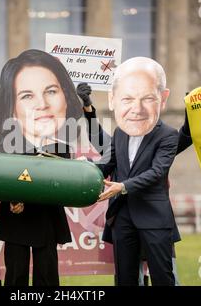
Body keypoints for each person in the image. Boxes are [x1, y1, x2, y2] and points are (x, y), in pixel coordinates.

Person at [0, 49, 83, 286]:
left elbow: (62, 183)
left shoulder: (62, 147)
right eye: (27, 96)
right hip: (16, 221)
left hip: (46, 221)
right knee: (16, 275)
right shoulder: (3, 146)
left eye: (51, 91)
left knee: (47, 276)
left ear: (65, 96)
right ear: (12, 107)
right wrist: (13, 198)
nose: (42, 104)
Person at [77, 82, 181, 286]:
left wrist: (122, 186)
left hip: (154, 217)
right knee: (125, 280)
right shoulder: (120, 132)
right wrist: (84, 171)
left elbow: (157, 172)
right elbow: (108, 163)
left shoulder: (168, 134)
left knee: (163, 278)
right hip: (122, 218)